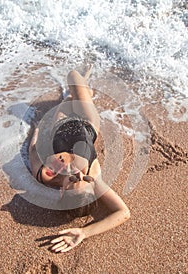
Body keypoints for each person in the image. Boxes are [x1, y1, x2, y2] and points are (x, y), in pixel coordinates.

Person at [29, 68, 130, 253]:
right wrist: (84, 233)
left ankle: (81, 94)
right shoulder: (95, 179)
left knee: (69, 95)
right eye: (85, 180)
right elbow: (123, 212)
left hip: (60, 123)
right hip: (87, 121)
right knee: (74, 76)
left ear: (61, 191)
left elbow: (33, 151)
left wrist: (35, 131)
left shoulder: (45, 174)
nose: (79, 174)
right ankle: (85, 92)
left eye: (73, 180)